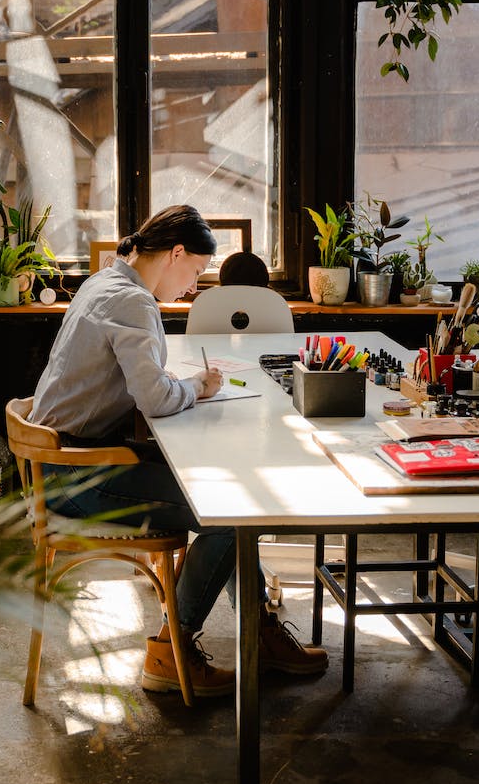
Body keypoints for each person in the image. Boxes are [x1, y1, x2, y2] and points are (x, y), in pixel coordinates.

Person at [31, 204, 327, 698]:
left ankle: (260, 631)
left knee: (231, 507)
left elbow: (137, 380)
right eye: (194, 271)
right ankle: (173, 649)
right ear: (175, 254)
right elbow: (155, 398)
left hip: (67, 461)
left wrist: (177, 384)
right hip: (78, 478)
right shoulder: (134, 302)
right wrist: (198, 388)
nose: (192, 287)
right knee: (229, 515)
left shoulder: (103, 283)